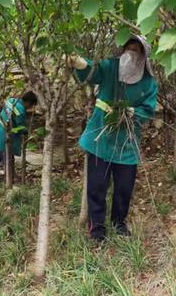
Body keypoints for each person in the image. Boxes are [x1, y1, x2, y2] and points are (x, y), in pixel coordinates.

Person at [67, 35, 157, 242]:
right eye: (129, 47)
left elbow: (148, 108)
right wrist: (79, 62)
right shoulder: (111, 66)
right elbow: (94, 71)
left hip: (127, 141)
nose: (131, 52)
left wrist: (132, 112)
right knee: (97, 186)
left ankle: (119, 223)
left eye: (137, 50)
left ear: (144, 56)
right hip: (100, 137)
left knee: (124, 187)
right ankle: (97, 229)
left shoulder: (149, 81)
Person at [0, 91, 38, 185]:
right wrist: (27, 133)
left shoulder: (11, 100)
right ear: (28, 102)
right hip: (5, 138)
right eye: (30, 106)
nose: (29, 108)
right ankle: (10, 182)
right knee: (8, 160)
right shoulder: (21, 110)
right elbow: (21, 127)